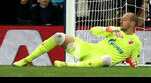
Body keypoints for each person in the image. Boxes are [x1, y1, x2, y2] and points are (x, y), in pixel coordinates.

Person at [13, 12, 141, 67]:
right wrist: (108, 29)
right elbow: (93, 30)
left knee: (107, 58)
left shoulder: (136, 42)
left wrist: (131, 61)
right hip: (87, 50)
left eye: (125, 20)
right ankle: (26, 60)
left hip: (100, 61)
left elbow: (134, 62)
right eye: (121, 19)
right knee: (59, 36)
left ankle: (69, 65)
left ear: (132, 24)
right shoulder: (114, 30)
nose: (121, 21)